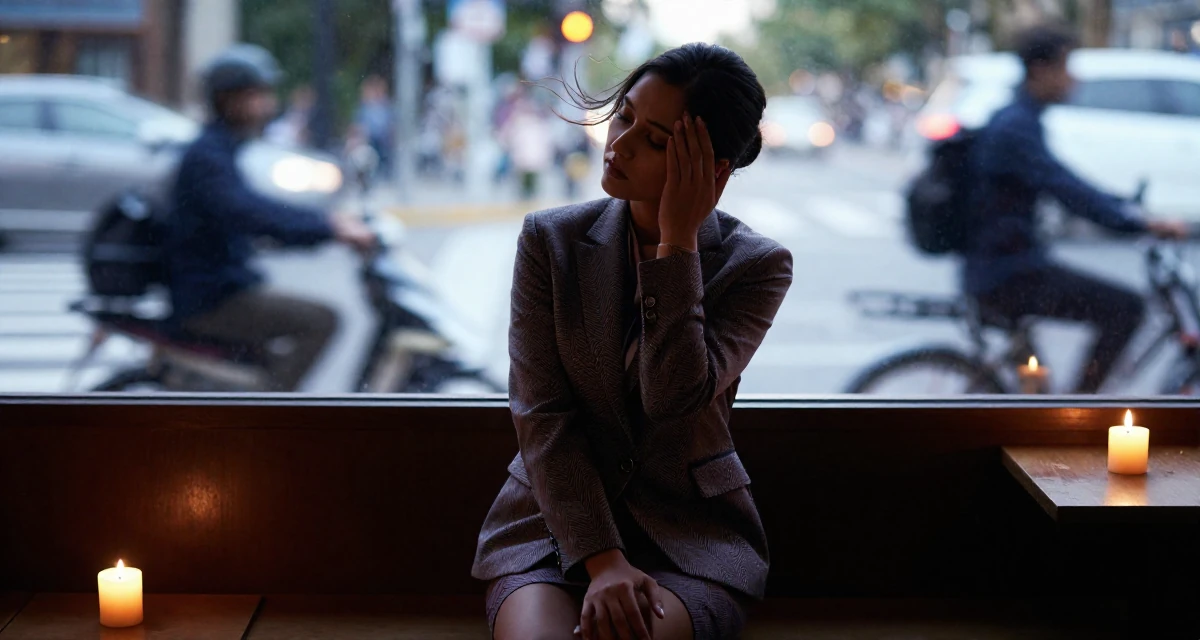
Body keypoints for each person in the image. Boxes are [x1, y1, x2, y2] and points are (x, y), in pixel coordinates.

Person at [472, 43, 793, 639]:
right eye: (624, 116)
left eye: (656, 140)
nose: (618, 145)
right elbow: (542, 415)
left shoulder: (756, 266)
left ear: (713, 171)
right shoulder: (550, 240)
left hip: (689, 535)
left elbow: (672, 397)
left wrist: (677, 247)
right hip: (551, 525)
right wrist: (603, 559)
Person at [965, 25, 1188, 394]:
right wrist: (1134, 221)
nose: (1073, 79)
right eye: (1066, 67)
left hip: (999, 265)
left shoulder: (1017, 118)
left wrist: (1121, 207)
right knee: (1125, 308)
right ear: (1041, 70)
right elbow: (1065, 187)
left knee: (1035, 381)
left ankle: (1063, 406)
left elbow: (1066, 182)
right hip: (1008, 272)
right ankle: (1079, 410)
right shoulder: (1015, 127)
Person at [164, 44, 375, 392]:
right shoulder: (207, 157)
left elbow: (256, 209)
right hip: (211, 299)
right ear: (228, 100)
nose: (268, 105)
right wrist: (328, 227)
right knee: (321, 320)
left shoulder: (220, 149)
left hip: (223, 285)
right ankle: (271, 411)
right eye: (256, 96)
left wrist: (326, 223)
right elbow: (248, 212)